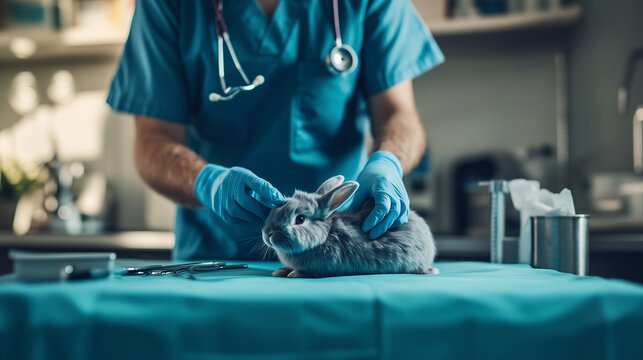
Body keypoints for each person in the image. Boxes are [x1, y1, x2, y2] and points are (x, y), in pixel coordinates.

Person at [107, 0, 444, 260]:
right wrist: (208, 183)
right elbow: (153, 142)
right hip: (216, 262)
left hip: (337, 261)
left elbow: (399, 115)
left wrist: (389, 162)